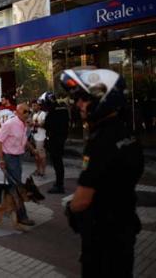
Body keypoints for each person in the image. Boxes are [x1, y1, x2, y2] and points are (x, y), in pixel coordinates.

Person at [62, 68, 143, 277]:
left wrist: (70, 208)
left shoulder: (100, 141)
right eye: (77, 99)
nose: (78, 104)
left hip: (103, 235)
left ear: (104, 99)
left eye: (84, 99)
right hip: (125, 225)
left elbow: (82, 199)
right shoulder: (127, 133)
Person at [0, 103, 38, 226]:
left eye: (28, 111)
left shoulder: (24, 124)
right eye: (24, 112)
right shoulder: (9, 124)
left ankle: (9, 208)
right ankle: (21, 216)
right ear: (17, 112)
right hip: (10, 158)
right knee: (18, 188)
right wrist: (1, 160)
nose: (27, 114)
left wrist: (33, 150)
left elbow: (23, 139)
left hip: (18, 157)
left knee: (13, 186)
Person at [39, 92, 69, 194]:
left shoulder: (53, 112)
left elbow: (47, 125)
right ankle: (59, 183)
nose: (44, 106)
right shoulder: (63, 109)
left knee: (57, 163)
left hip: (55, 141)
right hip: (60, 140)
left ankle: (59, 185)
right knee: (58, 163)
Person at [31, 100, 47, 177]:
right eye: (32, 105)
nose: (33, 107)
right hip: (35, 137)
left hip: (41, 137)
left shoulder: (43, 113)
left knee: (42, 155)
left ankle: (43, 171)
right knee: (36, 156)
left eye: (35, 105)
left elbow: (43, 124)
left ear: (39, 106)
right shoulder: (34, 115)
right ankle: (38, 170)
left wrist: (33, 124)